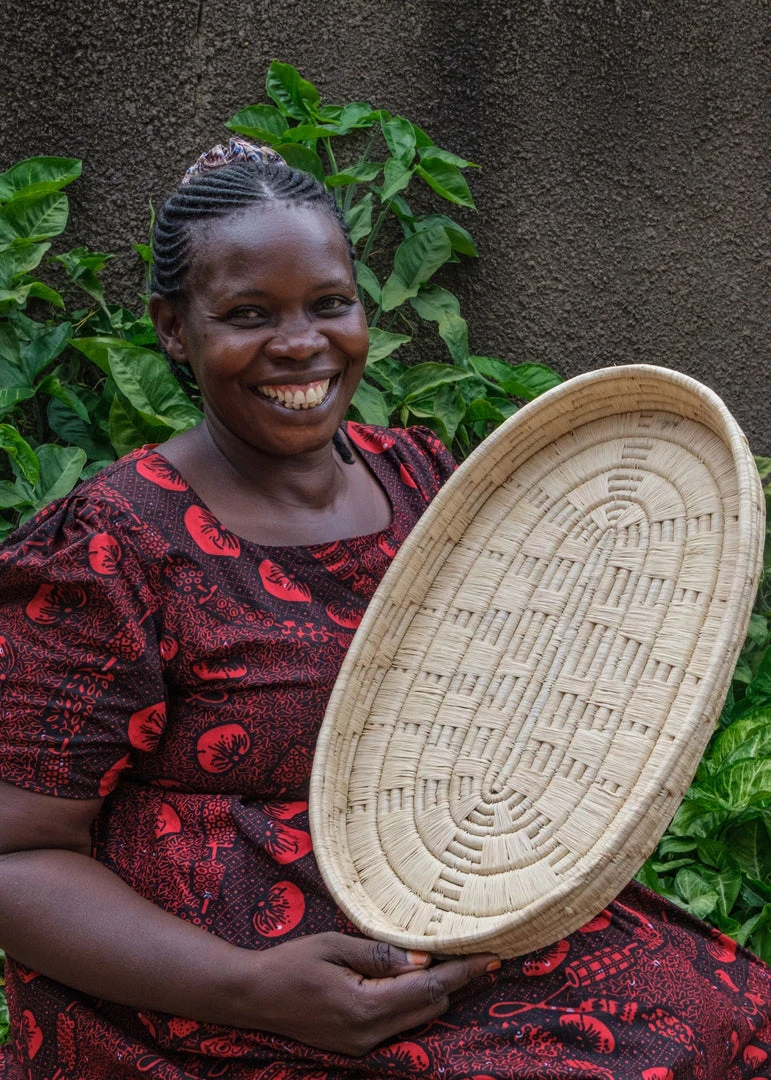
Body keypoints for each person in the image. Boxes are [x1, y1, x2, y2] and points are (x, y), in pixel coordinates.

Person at [0, 140, 769, 1080]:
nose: (300, 344)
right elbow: (17, 858)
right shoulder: (115, 542)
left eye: (329, 304)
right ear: (172, 327)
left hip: (454, 926)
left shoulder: (427, 482)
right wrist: (248, 988)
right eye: (247, 314)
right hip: (218, 988)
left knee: (715, 1006)